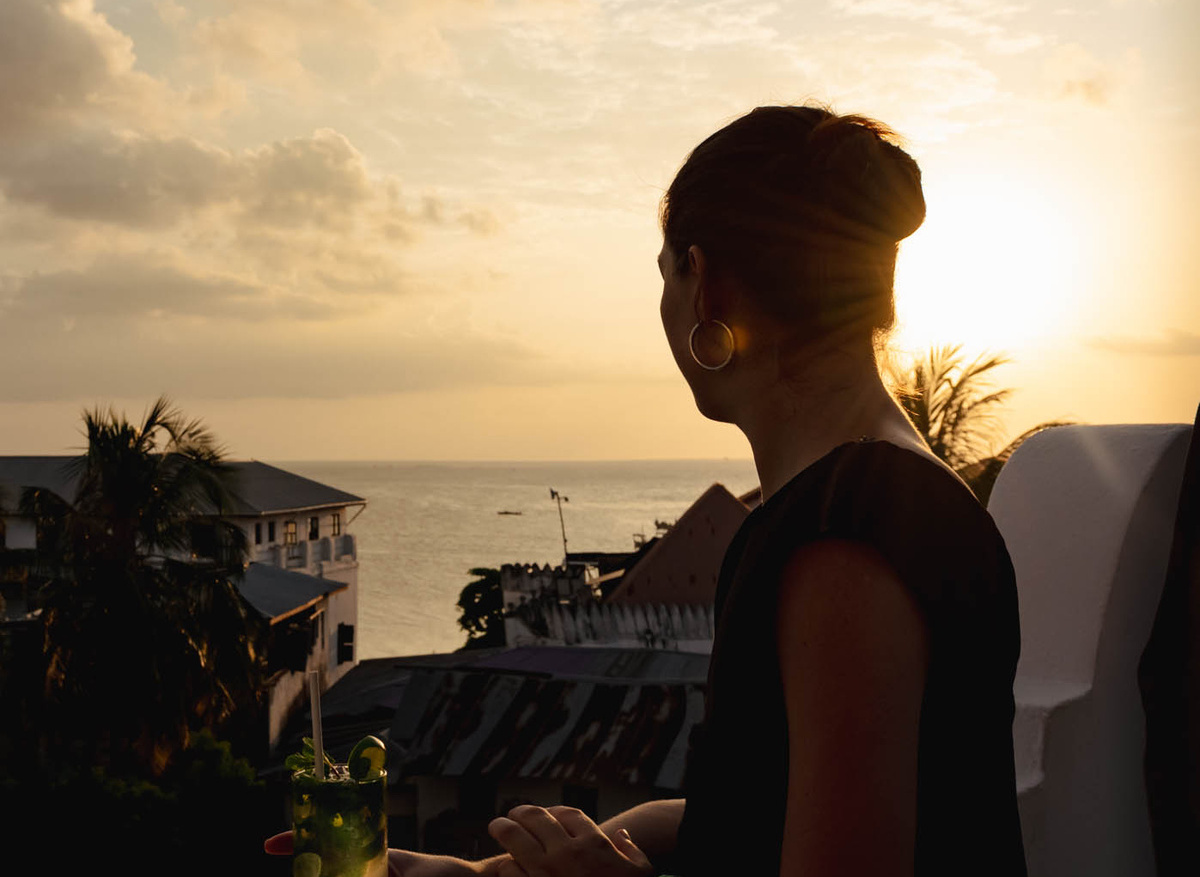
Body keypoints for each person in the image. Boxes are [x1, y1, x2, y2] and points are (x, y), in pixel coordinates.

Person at [267, 104, 1027, 876]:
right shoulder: (883, 491)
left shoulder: (843, 538)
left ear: (707, 290)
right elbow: (759, 807)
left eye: (666, 275)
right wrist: (485, 873)